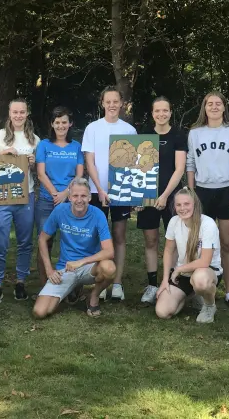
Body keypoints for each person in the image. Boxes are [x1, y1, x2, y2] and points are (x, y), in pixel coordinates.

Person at [186, 91, 229, 311]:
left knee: (227, 243)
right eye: (209, 103)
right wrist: (192, 193)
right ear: (204, 107)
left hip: (228, 190)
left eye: (218, 103)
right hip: (203, 190)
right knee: (200, 243)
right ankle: (199, 289)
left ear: (224, 107)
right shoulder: (195, 133)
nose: (213, 106)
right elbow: (190, 164)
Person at [82, 86, 137, 301]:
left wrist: (132, 193)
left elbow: (133, 164)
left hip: (122, 192)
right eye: (108, 101)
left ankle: (117, 283)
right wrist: (101, 190)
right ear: (102, 103)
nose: (112, 105)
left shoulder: (129, 130)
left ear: (121, 103)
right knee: (98, 238)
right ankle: (101, 280)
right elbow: (90, 162)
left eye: (116, 101)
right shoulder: (92, 128)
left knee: (120, 236)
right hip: (96, 191)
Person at [33, 178, 116, 318]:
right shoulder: (60, 210)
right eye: (75, 196)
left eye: (83, 196)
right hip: (65, 268)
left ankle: (93, 296)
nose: (79, 200)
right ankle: (73, 290)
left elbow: (109, 251)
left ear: (89, 197)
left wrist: (81, 262)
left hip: (89, 267)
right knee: (40, 312)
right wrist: (49, 270)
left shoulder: (98, 215)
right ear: (69, 197)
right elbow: (42, 239)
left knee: (109, 268)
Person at [0, 98, 40, 303]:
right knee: (0, 242)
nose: (18, 115)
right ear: (9, 113)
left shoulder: (34, 139)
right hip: (2, 196)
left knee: (25, 242)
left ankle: (21, 281)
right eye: (15, 112)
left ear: (27, 114)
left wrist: (33, 163)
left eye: (22, 112)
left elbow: (38, 170)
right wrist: (3, 153)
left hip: (26, 195)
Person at [137, 97, 187, 305]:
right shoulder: (144, 135)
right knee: (150, 241)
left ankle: (173, 282)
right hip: (147, 195)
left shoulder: (178, 135)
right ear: (152, 113)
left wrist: (165, 195)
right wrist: (137, 195)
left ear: (170, 112)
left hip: (171, 197)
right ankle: (152, 284)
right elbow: (137, 168)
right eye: (157, 111)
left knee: (173, 242)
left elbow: (180, 168)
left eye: (165, 110)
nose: (161, 114)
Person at [155, 188, 223, 323]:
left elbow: (204, 261)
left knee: (200, 280)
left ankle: (209, 305)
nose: (182, 208)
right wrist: (164, 280)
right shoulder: (174, 222)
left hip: (206, 271)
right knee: (162, 312)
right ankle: (193, 295)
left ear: (195, 205)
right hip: (184, 275)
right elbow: (168, 251)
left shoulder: (208, 224)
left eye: (187, 204)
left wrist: (179, 269)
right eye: (178, 205)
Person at [34, 106, 84, 285]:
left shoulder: (76, 146)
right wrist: (56, 194)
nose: (61, 126)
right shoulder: (44, 145)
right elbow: (41, 173)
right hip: (48, 201)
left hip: (71, 201)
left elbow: (79, 175)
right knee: (44, 241)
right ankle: (43, 284)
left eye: (64, 122)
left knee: (72, 243)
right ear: (52, 124)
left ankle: (73, 284)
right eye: (57, 122)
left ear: (70, 124)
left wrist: (66, 194)